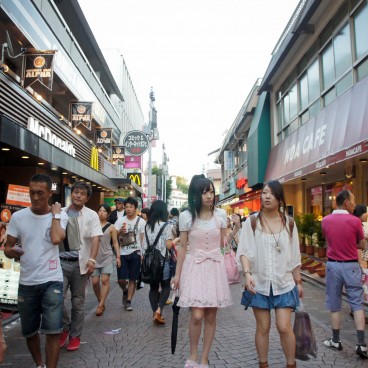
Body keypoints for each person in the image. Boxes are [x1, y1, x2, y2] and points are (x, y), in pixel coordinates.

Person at [172, 174, 239, 368]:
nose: (209, 195)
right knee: (197, 315)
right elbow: (182, 247)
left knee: (210, 316)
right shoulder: (186, 217)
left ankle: (204, 358)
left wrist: (234, 231)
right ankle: (193, 354)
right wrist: (177, 274)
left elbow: (223, 245)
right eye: (204, 192)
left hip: (215, 267)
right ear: (196, 195)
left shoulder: (220, 216)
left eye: (211, 191)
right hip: (194, 267)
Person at [237, 179, 303, 368]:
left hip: (284, 283)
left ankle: (291, 364)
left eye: (272, 193)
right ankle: (263, 364)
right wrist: (247, 274)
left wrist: (298, 282)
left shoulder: (289, 223)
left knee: (284, 327)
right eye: (264, 192)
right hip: (259, 283)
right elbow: (243, 251)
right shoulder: (252, 222)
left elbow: (295, 256)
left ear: (280, 198)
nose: (267, 196)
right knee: (263, 328)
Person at [4, 174, 68, 368]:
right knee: (29, 331)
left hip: (52, 281)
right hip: (27, 282)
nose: (36, 197)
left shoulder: (60, 216)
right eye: (32, 192)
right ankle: (39, 364)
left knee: (53, 331)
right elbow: (7, 248)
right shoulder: (18, 217)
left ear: (50, 193)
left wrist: (55, 215)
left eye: (41, 193)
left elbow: (57, 238)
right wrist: (13, 252)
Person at [322, 190, 368, 358]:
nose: (355, 204)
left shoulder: (325, 221)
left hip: (333, 266)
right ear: (346, 202)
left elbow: (327, 240)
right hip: (351, 267)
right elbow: (361, 244)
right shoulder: (355, 221)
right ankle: (361, 344)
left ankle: (335, 340)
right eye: (354, 200)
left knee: (334, 302)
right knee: (357, 303)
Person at [59, 182, 102, 351]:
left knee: (78, 302)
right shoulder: (60, 212)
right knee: (57, 299)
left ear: (87, 198)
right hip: (60, 263)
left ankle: (75, 336)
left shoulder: (91, 215)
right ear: (71, 194)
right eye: (76, 192)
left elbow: (95, 238)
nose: (78, 195)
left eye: (82, 193)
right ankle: (64, 328)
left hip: (80, 264)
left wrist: (92, 259)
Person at [142, 200, 174, 324]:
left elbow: (144, 245)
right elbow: (169, 245)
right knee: (166, 287)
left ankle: (155, 312)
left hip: (149, 261)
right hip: (162, 261)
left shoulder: (147, 225)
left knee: (153, 288)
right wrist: (175, 240)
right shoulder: (167, 226)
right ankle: (159, 311)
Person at [115, 196, 146, 311]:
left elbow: (143, 239)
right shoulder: (120, 221)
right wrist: (120, 232)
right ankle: (125, 290)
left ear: (135, 208)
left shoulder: (141, 222)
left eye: (130, 207)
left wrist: (142, 254)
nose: (128, 209)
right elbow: (114, 237)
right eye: (126, 207)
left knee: (133, 278)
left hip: (136, 252)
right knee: (121, 280)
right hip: (123, 253)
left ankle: (129, 301)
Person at [92, 204, 121, 316]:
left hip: (107, 256)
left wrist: (118, 257)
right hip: (94, 257)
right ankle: (101, 301)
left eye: (104, 211)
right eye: (99, 210)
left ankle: (100, 306)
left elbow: (115, 242)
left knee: (105, 281)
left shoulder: (111, 227)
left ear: (108, 214)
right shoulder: (92, 225)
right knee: (94, 283)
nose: (101, 213)